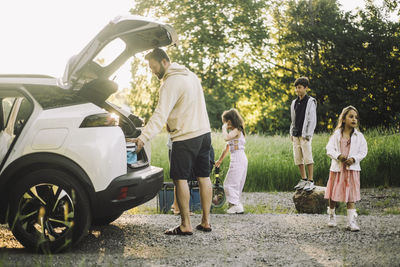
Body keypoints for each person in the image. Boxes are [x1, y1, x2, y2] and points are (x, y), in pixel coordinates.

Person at [131, 48, 213, 235]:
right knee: (204, 176)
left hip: (185, 137)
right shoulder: (190, 75)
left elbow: (160, 114)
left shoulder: (170, 82)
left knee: (180, 178)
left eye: (154, 67)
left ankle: (186, 225)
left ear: (164, 62)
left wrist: (143, 138)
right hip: (204, 133)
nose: (153, 71)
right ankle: (206, 221)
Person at [324, 106, 368, 231]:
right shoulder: (336, 135)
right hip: (338, 169)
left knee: (351, 196)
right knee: (333, 194)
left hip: (352, 170)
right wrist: (338, 156)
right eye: (351, 116)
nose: (354, 119)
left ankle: (351, 221)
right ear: (343, 119)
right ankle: (332, 216)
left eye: (356, 117)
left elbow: (363, 151)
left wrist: (354, 159)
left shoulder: (359, 136)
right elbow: (329, 149)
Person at [215, 108, 248, 214]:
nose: (225, 125)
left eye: (225, 122)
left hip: (239, 158)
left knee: (229, 184)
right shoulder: (234, 132)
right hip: (238, 157)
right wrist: (219, 160)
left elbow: (226, 138)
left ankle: (235, 205)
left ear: (229, 121)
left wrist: (223, 128)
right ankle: (236, 204)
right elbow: (227, 147)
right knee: (235, 182)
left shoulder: (237, 130)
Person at [290, 77, 317, 191]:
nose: (297, 90)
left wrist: (308, 134)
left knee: (307, 157)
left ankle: (310, 181)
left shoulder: (310, 101)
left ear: (306, 88)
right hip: (296, 134)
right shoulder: (294, 102)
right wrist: (291, 132)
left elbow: (312, 119)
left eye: (300, 87)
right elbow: (293, 119)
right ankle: (303, 179)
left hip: (305, 135)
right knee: (298, 157)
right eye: (296, 88)